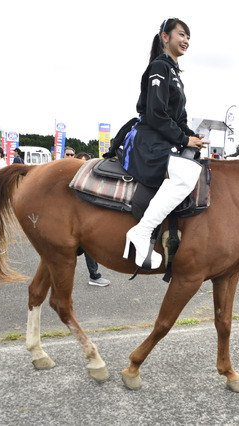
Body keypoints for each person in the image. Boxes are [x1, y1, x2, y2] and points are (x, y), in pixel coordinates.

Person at [120, 17, 207, 270]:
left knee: (196, 163)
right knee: (185, 175)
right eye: (181, 35)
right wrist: (182, 139)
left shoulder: (175, 74)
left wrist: (193, 138)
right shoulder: (159, 67)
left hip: (164, 138)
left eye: (188, 37)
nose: (186, 41)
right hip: (148, 140)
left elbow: (178, 119)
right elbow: (156, 113)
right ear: (165, 37)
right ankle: (141, 232)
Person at [64, 150, 111, 286]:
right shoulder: (66, 179)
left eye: (86, 163)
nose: (70, 156)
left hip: (84, 224)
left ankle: (94, 276)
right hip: (69, 224)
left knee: (87, 248)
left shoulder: (91, 182)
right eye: (68, 154)